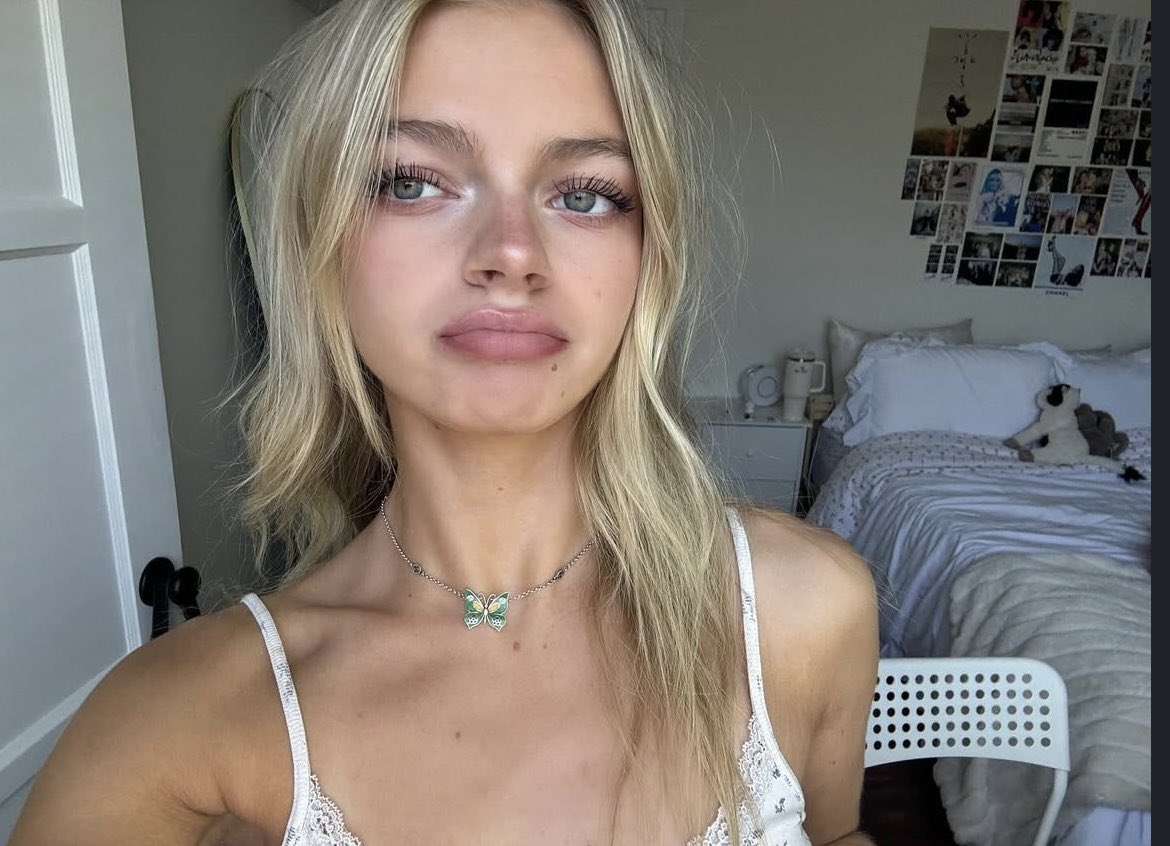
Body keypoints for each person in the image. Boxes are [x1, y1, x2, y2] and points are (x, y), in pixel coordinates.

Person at [10, 1, 878, 845]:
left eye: (586, 194)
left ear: (649, 255)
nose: (511, 253)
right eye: (412, 182)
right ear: (320, 242)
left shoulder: (803, 608)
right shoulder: (177, 724)